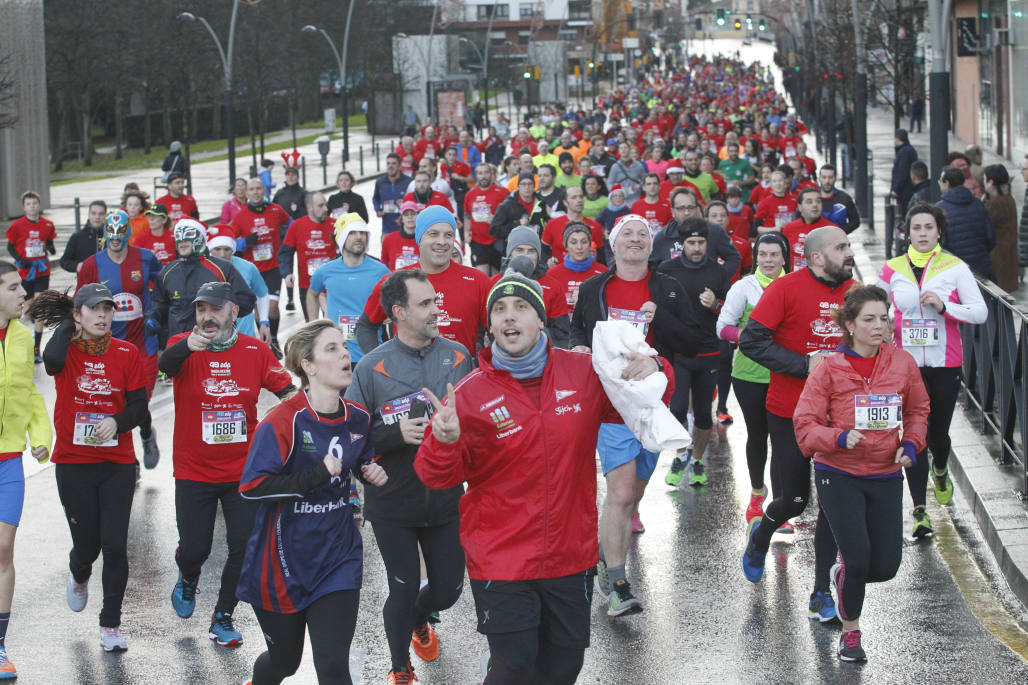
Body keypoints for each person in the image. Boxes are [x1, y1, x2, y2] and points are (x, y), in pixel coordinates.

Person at [415, 267, 673, 684]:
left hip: (569, 554)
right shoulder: (469, 394)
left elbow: (649, 398)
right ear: (491, 324)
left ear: (540, 319)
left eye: (520, 307)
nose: (509, 316)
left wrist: (654, 364)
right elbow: (435, 477)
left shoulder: (584, 373)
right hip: (502, 557)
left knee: (563, 666)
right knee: (515, 662)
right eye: (499, 309)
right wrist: (442, 441)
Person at [237, 320, 386, 685]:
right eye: (332, 349)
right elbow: (252, 487)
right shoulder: (283, 422)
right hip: (281, 563)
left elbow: (363, 457)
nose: (345, 355)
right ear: (309, 365)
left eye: (345, 347)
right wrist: (316, 476)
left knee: (334, 666)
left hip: (338, 558)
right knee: (284, 662)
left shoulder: (359, 419)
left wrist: (370, 469)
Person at [570, 214, 699, 616]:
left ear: (651, 244)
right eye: (627, 233)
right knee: (622, 494)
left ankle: (603, 558)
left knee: (634, 495)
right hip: (611, 408)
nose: (635, 239)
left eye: (643, 234)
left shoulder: (668, 288)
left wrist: (658, 329)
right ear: (613, 244)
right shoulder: (595, 289)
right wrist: (578, 352)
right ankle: (619, 582)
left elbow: (692, 341)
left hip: (653, 406)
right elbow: (577, 331)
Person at [345, 271, 470, 683]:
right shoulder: (371, 366)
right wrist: (394, 436)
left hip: (447, 499)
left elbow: (477, 423)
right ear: (399, 313)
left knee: (448, 591)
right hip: (393, 501)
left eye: (436, 301)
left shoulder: (457, 356)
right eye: (426, 304)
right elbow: (350, 438)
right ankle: (400, 668)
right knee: (401, 587)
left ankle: (420, 619)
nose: (437, 310)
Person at [794, 285, 930, 662]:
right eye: (869, 319)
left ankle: (842, 578)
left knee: (884, 567)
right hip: (838, 472)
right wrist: (837, 436)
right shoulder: (829, 369)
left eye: (884, 319)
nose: (878, 326)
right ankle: (851, 633)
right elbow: (804, 424)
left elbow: (918, 409)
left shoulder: (902, 363)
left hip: (886, 472)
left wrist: (911, 443)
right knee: (857, 558)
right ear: (850, 325)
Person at [159, 282, 295, 647]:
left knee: (244, 546)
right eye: (201, 309)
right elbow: (163, 365)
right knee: (196, 548)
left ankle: (223, 615)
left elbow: (287, 391)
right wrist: (187, 346)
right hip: (194, 470)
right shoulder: (183, 346)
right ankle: (188, 576)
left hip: (242, 471)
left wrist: (291, 420)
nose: (206, 317)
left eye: (214, 309)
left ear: (234, 312)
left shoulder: (254, 350)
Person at [740, 226, 856, 624]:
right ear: (817, 257)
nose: (849, 252)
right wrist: (803, 365)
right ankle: (760, 537)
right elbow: (751, 341)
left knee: (830, 506)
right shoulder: (785, 289)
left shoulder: (854, 291)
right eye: (841, 247)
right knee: (794, 500)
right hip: (789, 409)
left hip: (837, 418)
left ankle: (821, 591)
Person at [33, 284, 148, 652]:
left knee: (114, 545)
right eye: (94, 309)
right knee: (88, 547)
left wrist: (118, 421)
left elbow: (139, 409)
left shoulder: (127, 353)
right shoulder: (65, 350)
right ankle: (79, 573)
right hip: (73, 462)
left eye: (108, 309)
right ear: (78, 314)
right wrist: (68, 326)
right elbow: (49, 362)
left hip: (116, 462)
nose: (103, 316)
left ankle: (110, 624)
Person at [877, 203, 987, 537]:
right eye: (916, 228)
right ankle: (920, 511)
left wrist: (945, 307)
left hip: (944, 363)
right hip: (906, 365)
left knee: (937, 433)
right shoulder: (891, 269)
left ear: (939, 231)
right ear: (906, 232)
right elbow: (877, 310)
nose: (922, 234)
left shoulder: (955, 268)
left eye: (928, 228)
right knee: (914, 434)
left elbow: (979, 312)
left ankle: (941, 469)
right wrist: (885, 326)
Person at [77, 210, 163, 468]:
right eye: (111, 233)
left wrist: (156, 315)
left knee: (138, 402)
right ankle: (129, 459)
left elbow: (162, 291)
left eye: (120, 232)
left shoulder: (146, 258)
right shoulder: (93, 264)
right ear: (105, 233)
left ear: (128, 232)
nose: (115, 238)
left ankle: (146, 434)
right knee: (116, 401)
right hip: (107, 346)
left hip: (143, 345)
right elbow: (79, 303)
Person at [0, 261, 52, 679]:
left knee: (3, 549)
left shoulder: (21, 336)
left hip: (8, 460)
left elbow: (30, 393)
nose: (24, 293)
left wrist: (40, 434)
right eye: (15, 287)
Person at [716, 234, 789, 523]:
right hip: (749, 374)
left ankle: (781, 506)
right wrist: (746, 336)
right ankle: (757, 494)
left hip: (787, 375)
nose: (768, 260)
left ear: (784, 257)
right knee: (758, 436)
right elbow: (722, 327)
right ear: (756, 257)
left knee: (783, 440)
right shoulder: (743, 287)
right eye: (763, 255)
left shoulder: (793, 285)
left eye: (774, 255)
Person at [358, 206, 491, 357]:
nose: (442, 241)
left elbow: (498, 329)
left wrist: (483, 368)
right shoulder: (396, 281)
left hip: (461, 377)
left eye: (448, 235)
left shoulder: (478, 281)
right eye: (433, 234)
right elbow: (365, 326)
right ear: (420, 237)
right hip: (407, 377)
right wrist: (380, 363)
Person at [658, 218, 730, 487]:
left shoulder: (718, 273)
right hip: (678, 354)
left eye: (701, 243)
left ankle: (697, 459)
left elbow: (731, 313)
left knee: (702, 413)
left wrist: (716, 304)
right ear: (682, 244)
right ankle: (680, 455)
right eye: (691, 243)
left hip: (709, 352)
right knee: (676, 408)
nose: (697, 248)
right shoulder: (667, 270)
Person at [147, 218, 256, 342]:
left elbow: (246, 301)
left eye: (188, 235)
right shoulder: (167, 272)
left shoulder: (223, 268)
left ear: (201, 237)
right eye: (178, 236)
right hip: (180, 343)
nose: (182, 240)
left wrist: (221, 316)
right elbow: (159, 303)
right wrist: (153, 318)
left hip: (214, 343)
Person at [305, 213, 390, 364]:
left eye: (362, 233)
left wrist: (390, 313)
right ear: (342, 238)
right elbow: (312, 293)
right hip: (335, 355)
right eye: (352, 233)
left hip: (371, 353)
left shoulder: (381, 271)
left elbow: (397, 298)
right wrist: (313, 328)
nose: (359, 237)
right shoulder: (325, 271)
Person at [231, 177, 292, 356]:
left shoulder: (275, 210)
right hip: (253, 269)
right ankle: (266, 342)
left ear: (264, 191)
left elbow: (292, 224)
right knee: (258, 308)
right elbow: (230, 241)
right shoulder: (241, 215)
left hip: (273, 266)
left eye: (259, 188)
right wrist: (244, 242)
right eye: (252, 189)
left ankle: (273, 338)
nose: (256, 192)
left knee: (272, 306)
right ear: (246, 193)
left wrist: (288, 244)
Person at [491, 228, 570, 348]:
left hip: (541, 355)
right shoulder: (494, 283)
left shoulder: (553, 286)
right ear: (510, 254)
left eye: (531, 251)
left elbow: (562, 333)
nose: (526, 256)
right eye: (519, 250)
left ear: (538, 255)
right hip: (501, 355)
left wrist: (530, 335)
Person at [6, 190, 57, 361]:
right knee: (25, 306)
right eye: (28, 204)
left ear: (39, 205)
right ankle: (17, 340)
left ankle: (36, 348)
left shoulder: (47, 224)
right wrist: (19, 259)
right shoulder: (17, 225)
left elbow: (48, 240)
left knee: (40, 306)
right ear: (24, 207)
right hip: (25, 272)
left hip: (42, 270)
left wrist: (50, 248)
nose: (32, 207)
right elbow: (10, 246)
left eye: (34, 203)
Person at [651, 188, 741, 277]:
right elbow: (652, 268)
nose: (686, 212)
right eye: (681, 208)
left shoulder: (714, 231)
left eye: (690, 207)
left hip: (707, 290)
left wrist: (718, 280)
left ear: (697, 209)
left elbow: (733, 258)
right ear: (673, 211)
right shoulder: (662, 237)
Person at [279, 192, 338, 322]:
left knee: (332, 324)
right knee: (312, 326)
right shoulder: (296, 226)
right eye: (320, 206)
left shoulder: (335, 225)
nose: (326, 209)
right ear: (309, 208)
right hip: (308, 286)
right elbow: (285, 253)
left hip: (331, 285)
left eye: (326, 205)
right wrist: (287, 273)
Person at [206, 232, 271, 342]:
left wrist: (264, 322)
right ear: (210, 250)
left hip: (245, 336)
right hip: (214, 338)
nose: (222, 254)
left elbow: (262, 295)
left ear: (233, 250)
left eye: (226, 249)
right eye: (217, 249)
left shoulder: (248, 268)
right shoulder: (203, 269)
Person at [937, 167, 996, 280]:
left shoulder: (940, 209)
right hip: (980, 267)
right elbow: (991, 237)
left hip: (954, 269)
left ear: (947, 183)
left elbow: (940, 244)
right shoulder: (978, 204)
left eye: (940, 181)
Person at [545, 222, 608, 317]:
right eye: (573, 242)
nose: (579, 247)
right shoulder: (552, 274)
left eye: (584, 242)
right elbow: (546, 310)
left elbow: (610, 307)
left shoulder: (603, 273)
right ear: (566, 246)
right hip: (564, 329)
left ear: (590, 244)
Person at [463, 163, 509, 275]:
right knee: (481, 276)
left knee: (496, 277)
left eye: (486, 173)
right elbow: (467, 215)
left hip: (497, 241)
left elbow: (511, 215)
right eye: (480, 173)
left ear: (491, 174)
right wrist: (466, 233)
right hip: (478, 241)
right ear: (476, 175)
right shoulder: (470, 194)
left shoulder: (502, 192)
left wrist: (497, 219)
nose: (483, 176)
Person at [542, 185, 604, 263]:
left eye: (581, 197)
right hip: (559, 273)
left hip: (586, 273)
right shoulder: (552, 224)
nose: (579, 200)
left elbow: (602, 257)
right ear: (565, 202)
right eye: (574, 197)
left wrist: (596, 258)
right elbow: (543, 252)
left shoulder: (595, 226)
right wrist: (549, 263)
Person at [781, 188, 838, 272]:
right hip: (794, 278)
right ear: (800, 207)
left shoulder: (832, 230)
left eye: (818, 201)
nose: (815, 205)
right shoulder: (789, 228)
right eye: (809, 202)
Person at [983, 164, 1018, 293]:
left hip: (997, 257)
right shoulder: (1009, 198)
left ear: (990, 182)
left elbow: (985, 225)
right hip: (1010, 254)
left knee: (998, 295)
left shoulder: (994, 202)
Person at [60, 200, 105, 275]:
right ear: (89, 215)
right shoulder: (78, 237)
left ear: (105, 215)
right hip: (86, 282)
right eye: (93, 213)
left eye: (101, 214)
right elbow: (64, 261)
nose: (97, 217)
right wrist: (77, 266)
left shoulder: (111, 237)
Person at [374, 154, 413, 238]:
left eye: (393, 163)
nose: (390, 166)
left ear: (399, 166)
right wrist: (378, 210)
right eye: (388, 163)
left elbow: (415, 202)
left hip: (405, 229)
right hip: (386, 230)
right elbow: (375, 198)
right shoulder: (380, 182)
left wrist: (404, 204)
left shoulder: (409, 182)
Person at [817, 164, 860, 234]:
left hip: (839, 242)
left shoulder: (844, 198)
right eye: (824, 177)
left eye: (830, 177)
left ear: (835, 178)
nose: (827, 181)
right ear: (819, 178)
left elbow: (855, 221)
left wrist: (840, 232)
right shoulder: (812, 198)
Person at [381, 201, 421, 271]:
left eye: (413, 214)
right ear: (401, 218)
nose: (410, 217)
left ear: (418, 215)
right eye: (406, 214)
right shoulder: (389, 239)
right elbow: (383, 263)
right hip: (395, 280)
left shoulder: (424, 239)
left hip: (418, 280)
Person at [890, 129, 918, 215]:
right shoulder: (907, 150)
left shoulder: (904, 152)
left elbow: (902, 173)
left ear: (898, 139)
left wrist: (896, 189)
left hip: (905, 191)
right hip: (907, 189)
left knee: (903, 213)